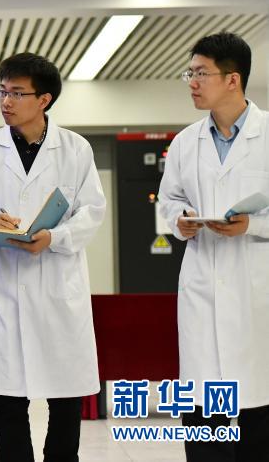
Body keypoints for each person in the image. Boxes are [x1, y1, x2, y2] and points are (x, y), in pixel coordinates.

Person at [0, 52, 105, 462]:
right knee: (8, 400)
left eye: (17, 93)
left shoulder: (75, 149)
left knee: (65, 397)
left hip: (58, 285)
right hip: (5, 286)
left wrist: (54, 237)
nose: (5, 101)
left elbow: (92, 212)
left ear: (44, 99)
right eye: (2, 91)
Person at [158, 32, 269, 462]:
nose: (192, 82)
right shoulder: (186, 142)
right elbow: (169, 201)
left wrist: (252, 225)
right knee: (203, 411)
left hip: (255, 287)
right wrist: (180, 221)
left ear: (232, 79)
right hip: (203, 283)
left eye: (201, 73)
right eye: (190, 73)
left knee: (258, 406)